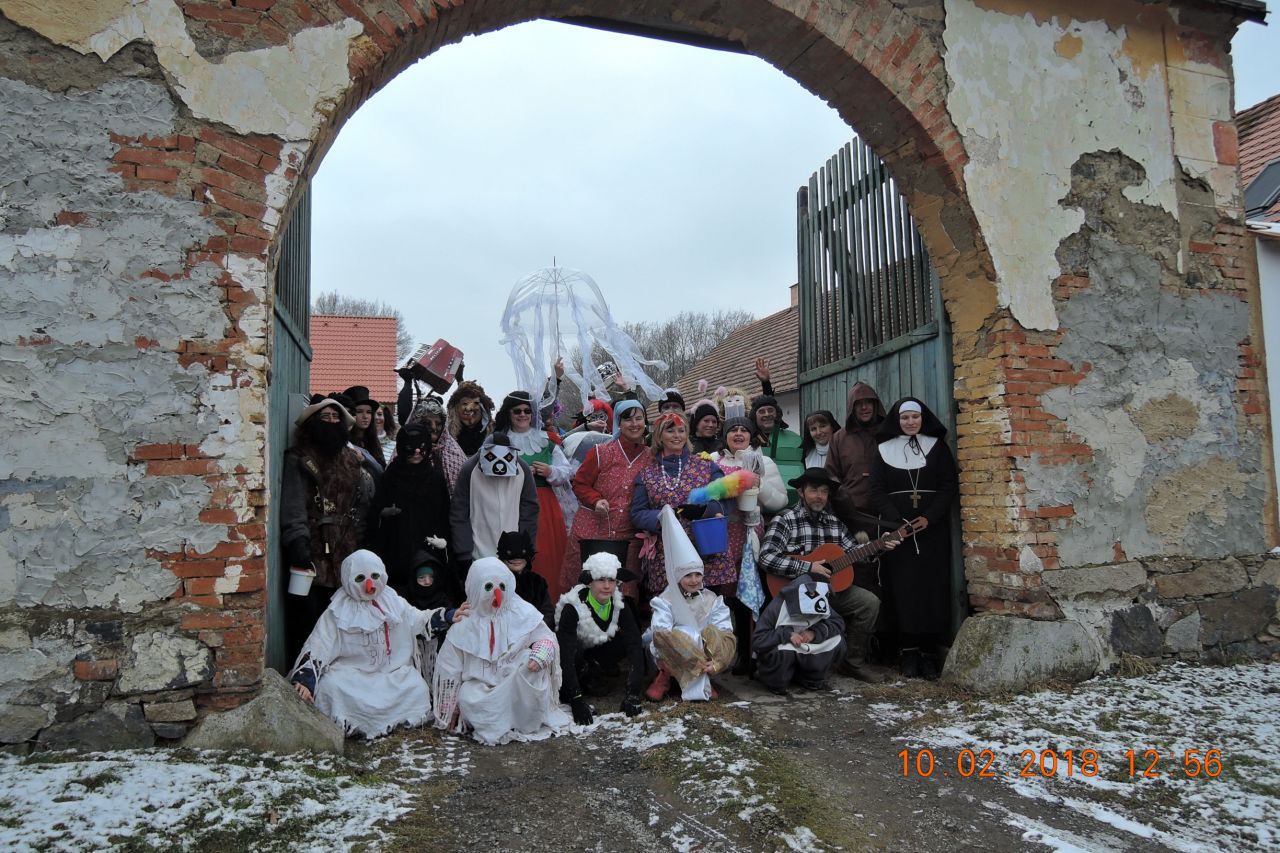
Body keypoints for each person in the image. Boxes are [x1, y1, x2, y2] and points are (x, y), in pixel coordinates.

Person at [289, 550, 468, 738]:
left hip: (392, 676)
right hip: (352, 677)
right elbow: (319, 644)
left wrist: (447, 615)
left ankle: (393, 718)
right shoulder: (337, 610)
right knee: (330, 688)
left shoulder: (392, 600)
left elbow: (417, 619)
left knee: (417, 687)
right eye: (360, 578)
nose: (370, 585)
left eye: (375, 576)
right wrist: (305, 680)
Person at [758, 468, 893, 683]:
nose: (819, 496)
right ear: (801, 492)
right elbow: (766, 557)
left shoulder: (834, 523)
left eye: (824, 491)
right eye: (814, 490)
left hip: (828, 594)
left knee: (869, 603)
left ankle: (852, 663)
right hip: (794, 596)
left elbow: (853, 553)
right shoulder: (785, 520)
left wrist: (879, 545)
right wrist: (807, 567)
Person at [432, 557, 573, 745]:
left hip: (515, 678)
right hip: (481, 685)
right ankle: (494, 724)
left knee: (530, 668)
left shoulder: (521, 611)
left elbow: (545, 637)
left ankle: (525, 721)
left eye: (502, 587)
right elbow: (450, 666)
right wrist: (449, 707)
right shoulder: (465, 621)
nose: (497, 593)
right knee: (468, 696)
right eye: (488, 587)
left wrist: (542, 652)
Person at [280, 395, 376, 658]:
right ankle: (306, 668)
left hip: (346, 547)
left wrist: (362, 539)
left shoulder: (351, 459)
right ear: (313, 422)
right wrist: (297, 540)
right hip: (312, 548)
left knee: (343, 616)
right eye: (326, 417)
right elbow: (293, 503)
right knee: (309, 618)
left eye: (336, 417)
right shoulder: (300, 458)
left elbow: (362, 502)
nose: (332, 421)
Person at [869, 398, 958, 680]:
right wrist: (896, 521)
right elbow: (876, 490)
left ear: (923, 419)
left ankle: (929, 654)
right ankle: (908, 652)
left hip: (932, 531)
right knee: (903, 589)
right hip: (899, 532)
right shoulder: (884, 449)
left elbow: (948, 486)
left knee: (932, 589)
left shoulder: (937, 448)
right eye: (905, 418)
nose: (910, 422)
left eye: (915, 417)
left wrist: (930, 517)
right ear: (897, 421)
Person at [710, 416, 789, 673]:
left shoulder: (762, 461)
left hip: (748, 536)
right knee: (721, 598)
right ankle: (719, 653)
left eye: (744, 430)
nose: (739, 434)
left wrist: (759, 483)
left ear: (751, 435)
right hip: (720, 536)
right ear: (725, 436)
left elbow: (779, 501)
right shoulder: (713, 460)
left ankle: (750, 655)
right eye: (733, 430)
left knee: (748, 597)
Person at [630, 412, 732, 598]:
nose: (677, 436)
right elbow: (637, 513)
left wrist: (704, 510)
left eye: (681, 430)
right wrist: (665, 517)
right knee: (673, 610)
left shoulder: (706, 466)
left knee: (707, 609)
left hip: (706, 551)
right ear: (659, 435)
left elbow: (726, 501)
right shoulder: (646, 474)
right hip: (669, 552)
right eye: (670, 431)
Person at [561, 400, 652, 595]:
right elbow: (580, 483)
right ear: (619, 423)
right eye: (628, 419)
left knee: (624, 593)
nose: (634, 424)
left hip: (627, 537)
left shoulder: (650, 457)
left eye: (639, 418)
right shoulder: (601, 452)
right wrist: (595, 500)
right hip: (592, 532)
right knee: (586, 591)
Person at [645, 506, 735, 702]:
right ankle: (665, 677)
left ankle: (705, 677)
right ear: (678, 577)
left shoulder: (711, 599)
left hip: (702, 652)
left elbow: (724, 629)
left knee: (713, 633)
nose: (694, 580)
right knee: (683, 634)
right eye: (688, 575)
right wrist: (692, 657)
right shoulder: (666, 599)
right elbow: (661, 632)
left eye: (697, 575)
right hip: (675, 651)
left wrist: (716, 660)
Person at [495, 390, 574, 600]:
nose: (522, 415)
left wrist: (550, 471)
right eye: (517, 411)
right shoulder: (500, 442)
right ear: (509, 413)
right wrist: (518, 474)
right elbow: (492, 475)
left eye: (527, 411)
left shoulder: (546, 440)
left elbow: (567, 471)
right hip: (513, 505)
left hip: (546, 506)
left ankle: (550, 601)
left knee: (547, 554)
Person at [554, 552, 646, 724]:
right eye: (601, 580)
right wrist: (575, 699)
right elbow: (564, 655)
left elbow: (634, 644)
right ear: (589, 582)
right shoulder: (572, 608)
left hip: (598, 652)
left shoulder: (620, 604)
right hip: (574, 656)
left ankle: (596, 671)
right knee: (572, 651)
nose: (607, 586)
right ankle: (582, 679)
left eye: (611, 580)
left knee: (625, 641)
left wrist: (633, 693)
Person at [369, 422, 452, 598]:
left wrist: (443, 543)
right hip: (396, 547)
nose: (416, 453)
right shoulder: (391, 476)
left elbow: (444, 514)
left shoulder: (435, 478)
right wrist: (385, 512)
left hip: (428, 548)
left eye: (421, 448)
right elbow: (375, 510)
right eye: (410, 448)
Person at [450, 433, 539, 571]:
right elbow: (459, 512)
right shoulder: (470, 469)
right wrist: (464, 553)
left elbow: (529, 511)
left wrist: (526, 547)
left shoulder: (522, 469)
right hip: (478, 554)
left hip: (514, 555)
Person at [752, 571, 845, 695]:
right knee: (784, 652)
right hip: (785, 646)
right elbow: (758, 641)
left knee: (837, 640)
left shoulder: (821, 601)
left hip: (808, 644)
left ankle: (812, 678)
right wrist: (787, 635)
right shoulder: (778, 606)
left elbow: (838, 623)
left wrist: (814, 633)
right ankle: (776, 682)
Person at [825, 382, 888, 541]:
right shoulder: (839, 438)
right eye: (858, 403)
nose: (864, 407)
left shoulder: (888, 434)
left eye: (868, 402)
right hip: (851, 515)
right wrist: (845, 502)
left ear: (875, 405)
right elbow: (831, 475)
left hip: (886, 513)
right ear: (851, 407)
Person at [407, 394, 467, 497]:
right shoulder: (405, 449)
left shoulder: (453, 452)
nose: (434, 427)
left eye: (438, 423)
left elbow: (461, 496)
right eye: (427, 423)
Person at [497, 530, 553, 629]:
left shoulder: (537, 582)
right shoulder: (497, 582)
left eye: (521, 555)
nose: (517, 560)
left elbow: (548, 613)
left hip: (535, 632)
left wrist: (536, 630)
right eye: (511, 556)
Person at [447, 380, 495, 457]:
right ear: (456, 409)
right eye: (465, 404)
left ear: (483, 408)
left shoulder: (495, 432)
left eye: (475, 403)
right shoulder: (446, 436)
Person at [344, 385, 387, 469]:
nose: (365, 416)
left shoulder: (373, 440)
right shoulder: (345, 442)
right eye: (359, 411)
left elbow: (382, 468)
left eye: (369, 412)